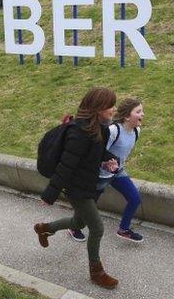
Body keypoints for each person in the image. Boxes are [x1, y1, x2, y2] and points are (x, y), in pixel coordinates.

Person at [33, 87, 121, 289]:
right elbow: (67, 164)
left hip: (88, 183)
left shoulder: (102, 128)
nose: (113, 109)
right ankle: (96, 272)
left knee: (78, 222)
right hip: (76, 188)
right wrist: (50, 193)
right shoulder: (79, 132)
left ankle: (44, 229)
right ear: (98, 108)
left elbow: (96, 152)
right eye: (110, 106)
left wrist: (107, 160)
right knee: (97, 228)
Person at [69, 97, 145, 243]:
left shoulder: (137, 131)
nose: (143, 114)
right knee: (89, 206)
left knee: (135, 198)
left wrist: (117, 167)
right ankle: (74, 227)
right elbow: (98, 151)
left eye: (142, 111)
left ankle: (124, 229)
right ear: (128, 116)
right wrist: (103, 166)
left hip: (117, 172)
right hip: (100, 175)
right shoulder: (113, 130)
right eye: (139, 111)